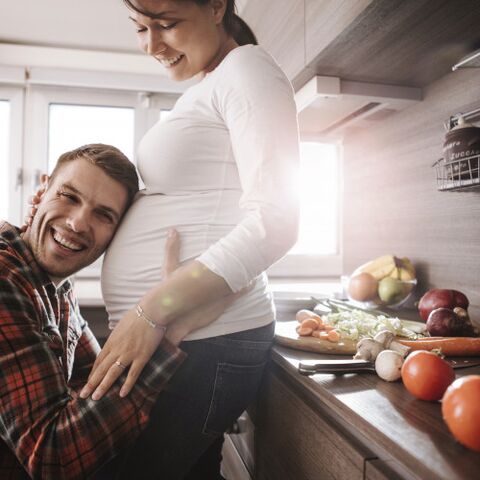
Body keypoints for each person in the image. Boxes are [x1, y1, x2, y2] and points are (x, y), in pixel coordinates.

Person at [74, 1, 300, 478]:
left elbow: (278, 218)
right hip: (188, 336)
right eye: (140, 28)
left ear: (217, 6)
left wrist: (152, 308)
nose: (151, 45)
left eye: (167, 24)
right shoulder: (214, 83)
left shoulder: (248, 68)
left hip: (204, 336)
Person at [0, 143, 234, 479]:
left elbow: (92, 382)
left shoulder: (57, 287)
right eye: (69, 196)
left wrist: (166, 298)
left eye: (103, 214)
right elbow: (54, 457)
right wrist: (173, 330)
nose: (78, 223)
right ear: (42, 190)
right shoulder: (5, 280)